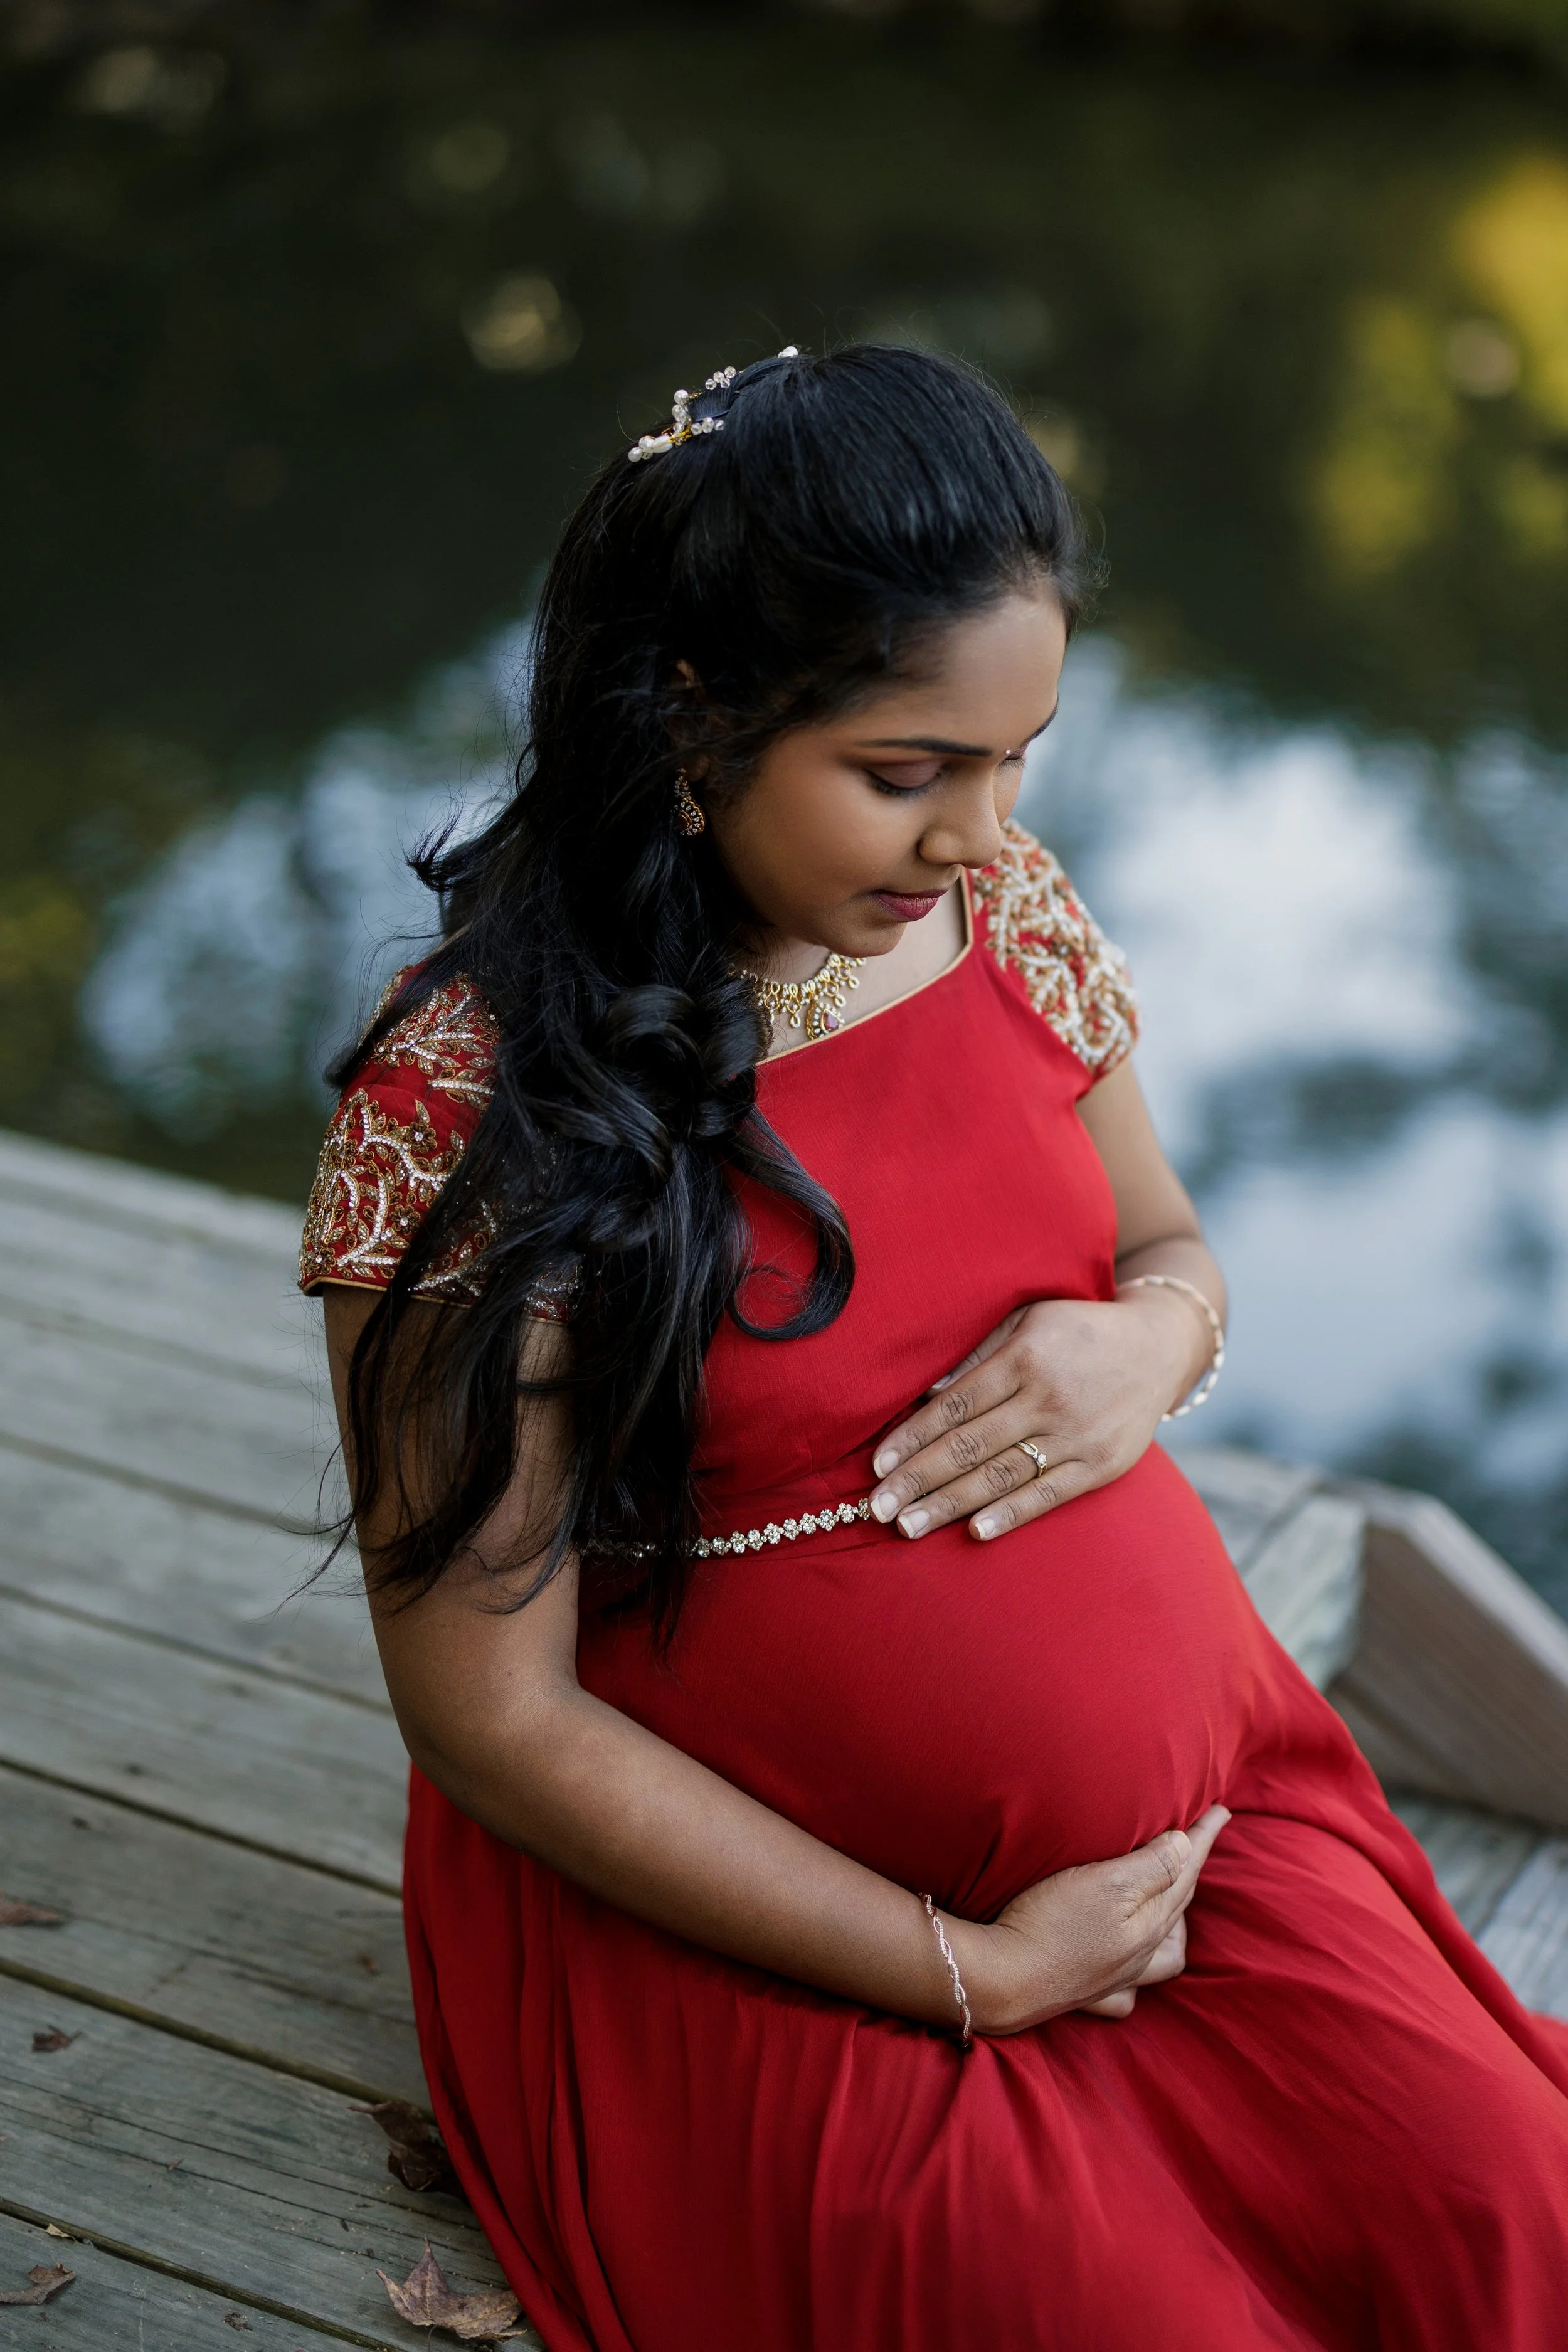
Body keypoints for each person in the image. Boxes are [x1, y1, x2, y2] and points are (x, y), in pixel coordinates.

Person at [301, 344, 1568, 2351]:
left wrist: (1148, 1348)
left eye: (1016, 759)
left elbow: (1169, 1245)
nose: (980, 833)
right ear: (689, 721)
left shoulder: (995, 919)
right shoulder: (462, 1119)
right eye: (908, 771)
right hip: (778, 1933)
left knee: (1521, 2220)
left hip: (1195, 1829)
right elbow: (492, 1718)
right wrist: (968, 1966)